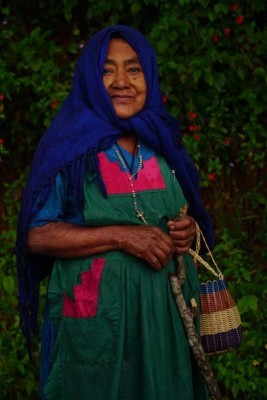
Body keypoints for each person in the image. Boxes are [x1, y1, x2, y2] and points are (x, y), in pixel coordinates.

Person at [16, 25, 214, 400]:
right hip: (97, 322)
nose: (121, 81)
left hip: (166, 319)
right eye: (107, 70)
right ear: (91, 77)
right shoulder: (69, 147)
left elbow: (193, 217)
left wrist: (188, 232)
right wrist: (121, 236)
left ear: (149, 77)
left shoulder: (164, 141)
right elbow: (36, 234)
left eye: (133, 69)